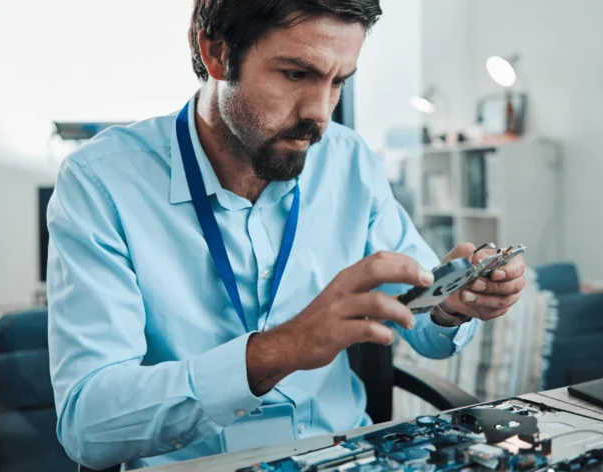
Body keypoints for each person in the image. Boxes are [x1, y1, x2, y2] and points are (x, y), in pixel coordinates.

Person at [46, 1, 526, 469]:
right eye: (296, 74)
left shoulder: (350, 161)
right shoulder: (100, 182)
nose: (320, 114)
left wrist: (449, 305)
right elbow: (86, 425)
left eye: (338, 82)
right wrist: (280, 349)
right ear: (216, 53)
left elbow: (420, 320)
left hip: (344, 456)